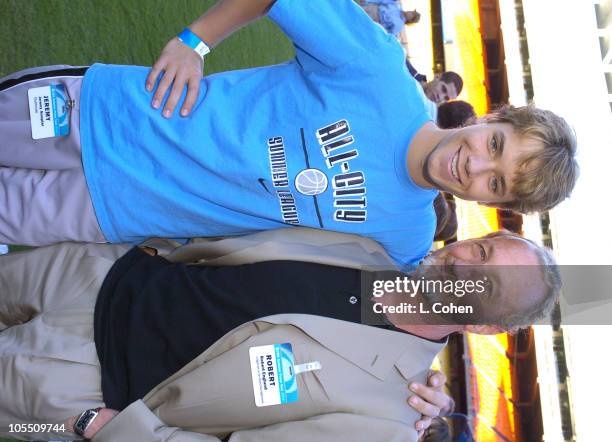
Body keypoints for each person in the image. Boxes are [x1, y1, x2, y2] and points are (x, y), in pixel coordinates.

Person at [0, 0, 578, 269]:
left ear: (490, 203)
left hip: (110, 211)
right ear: (489, 119)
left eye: (496, 184)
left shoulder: (406, 235)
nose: (474, 167)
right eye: (494, 146)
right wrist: (194, 43)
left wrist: (430, 400)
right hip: (111, 112)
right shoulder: (378, 71)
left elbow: (396, 314)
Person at [0, 228, 560, 441]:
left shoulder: (390, 419)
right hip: (96, 275)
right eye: (481, 249)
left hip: (77, 388)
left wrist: (110, 430)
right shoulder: (366, 251)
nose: (463, 263)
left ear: (485, 325)